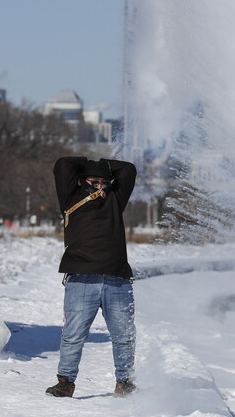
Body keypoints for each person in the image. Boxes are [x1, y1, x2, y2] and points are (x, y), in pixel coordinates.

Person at [46, 156, 137, 398]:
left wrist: (101, 166)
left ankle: (125, 383)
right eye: (93, 181)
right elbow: (63, 164)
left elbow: (128, 169)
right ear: (81, 180)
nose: (99, 186)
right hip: (81, 278)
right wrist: (89, 164)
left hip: (117, 279)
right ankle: (65, 383)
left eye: (104, 182)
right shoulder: (70, 197)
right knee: (73, 336)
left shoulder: (116, 200)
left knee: (124, 337)